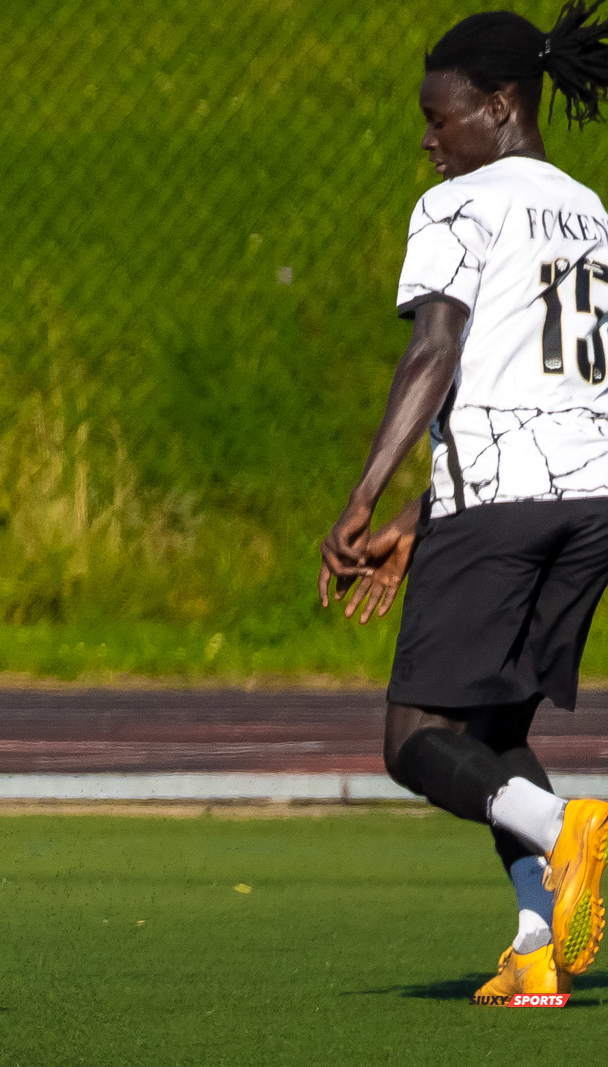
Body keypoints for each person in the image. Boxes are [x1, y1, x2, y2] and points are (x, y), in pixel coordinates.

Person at [319, 3, 608, 1006]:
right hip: (588, 501)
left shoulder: (459, 204)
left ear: (497, 104)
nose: (428, 139)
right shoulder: (587, 209)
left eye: (442, 119)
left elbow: (436, 349)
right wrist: (428, 507)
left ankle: (566, 828)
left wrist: (362, 497)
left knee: (413, 738)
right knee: (493, 733)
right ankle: (538, 936)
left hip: (505, 500)